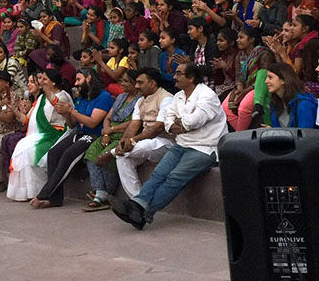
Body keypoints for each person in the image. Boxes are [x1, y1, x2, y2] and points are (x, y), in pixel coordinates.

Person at [113, 63, 223, 230]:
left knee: (174, 178)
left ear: (191, 78)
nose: (174, 77)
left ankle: (142, 213)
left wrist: (180, 123)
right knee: (159, 173)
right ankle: (137, 206)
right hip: (183, 143)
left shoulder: (207, 95)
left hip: (206, 147)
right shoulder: (178, 96)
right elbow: (168, 122)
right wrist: (179, 124)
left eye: (179, 74)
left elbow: (194, 121)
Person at [30, 70, 111, 208]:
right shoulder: (83, 98)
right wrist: (67, 115)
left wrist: (71, 111)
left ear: (89, 78)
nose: (76, 84)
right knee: (53, 153)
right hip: (79, 133)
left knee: (68, 155)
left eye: (78, 80)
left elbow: (92, 123)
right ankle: (55, 199)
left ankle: (44, 194)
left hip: (94, 136)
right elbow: (73, 124)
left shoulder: (104, 97)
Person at [6, 71, 69, 202]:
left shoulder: (62, 96)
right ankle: (23, 192)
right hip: (39, 134)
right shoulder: (40, 99)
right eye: (41, 79)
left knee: (30, 152)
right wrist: (15, 111)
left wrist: (46, 90)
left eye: (45, 79)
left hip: (54, 134)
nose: (41, 82)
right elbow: (27, 120)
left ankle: (36, 190)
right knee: (21, 148)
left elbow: (57, 105)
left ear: (54, 82)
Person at [112, 69, 172, 199]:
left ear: (152, 83)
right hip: (146, 142)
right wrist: (122, 143)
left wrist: (132, 141)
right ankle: (137, 200)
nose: (137, 86)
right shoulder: (140, 101)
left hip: (165, 142)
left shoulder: (166, 99)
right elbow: (134, 124)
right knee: (122, 156)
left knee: (142, 146)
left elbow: (158, 127)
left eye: (140, 82)